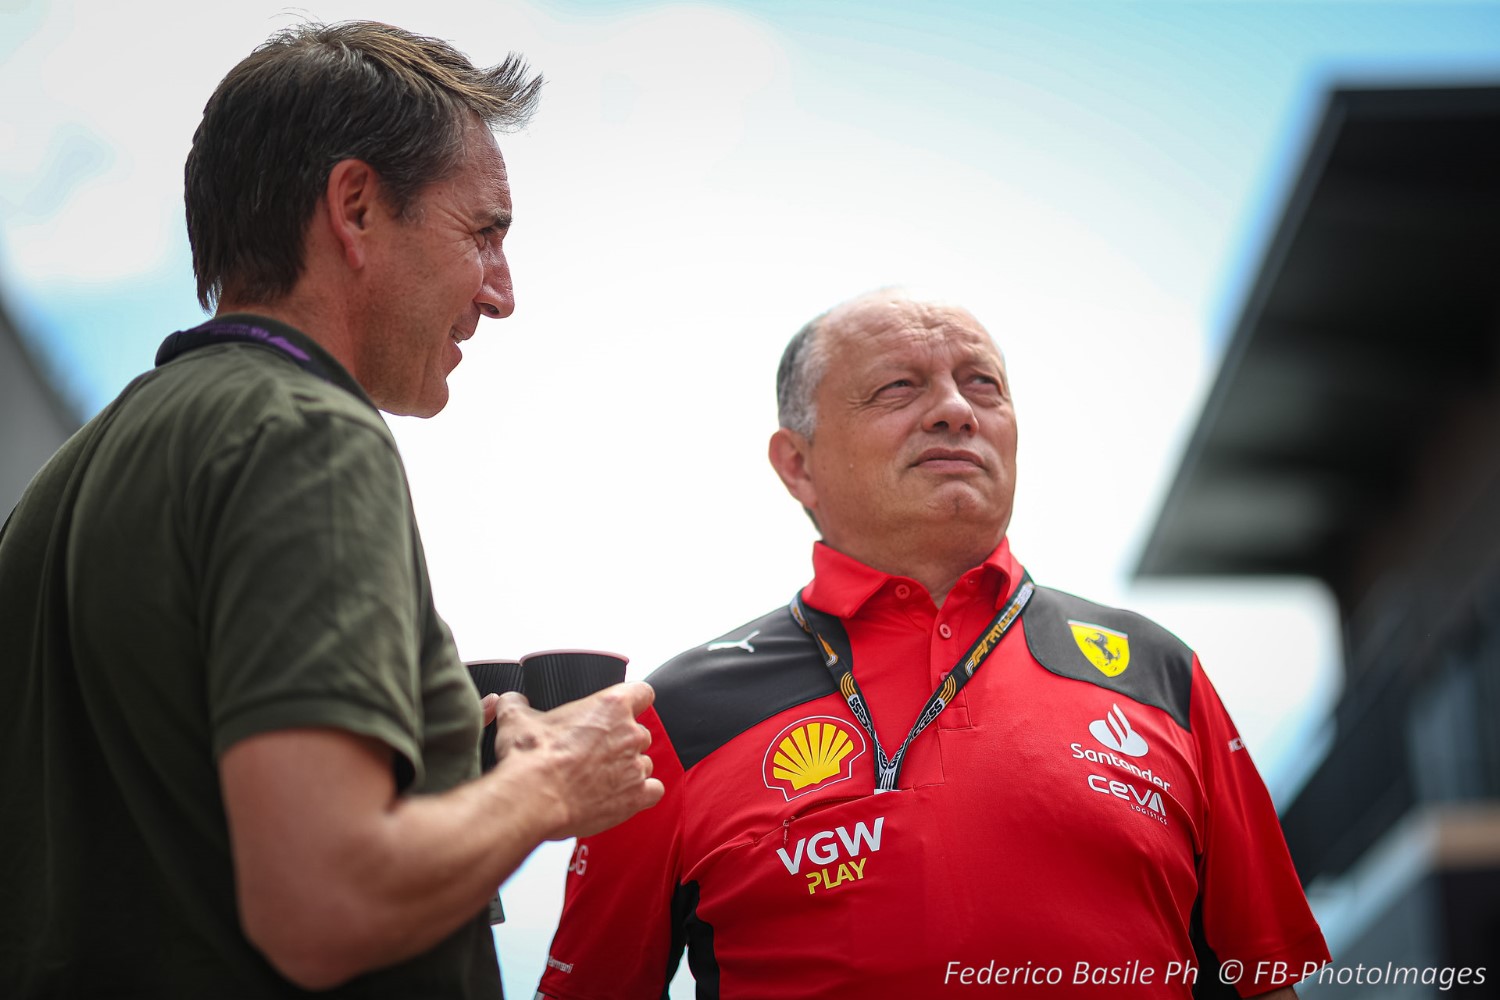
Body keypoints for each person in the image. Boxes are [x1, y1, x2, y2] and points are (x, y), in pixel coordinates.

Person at [0, 21, 661, 999]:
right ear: (353, 207)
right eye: (483, 232)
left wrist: (444, 759)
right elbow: (324, 902)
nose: (502, 292)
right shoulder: (307, 436)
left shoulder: (60, 490)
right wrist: (549, 784)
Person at [537, 289, 1330, 999]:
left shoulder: (1162, 674)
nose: (956, 410)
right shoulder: (672, 718)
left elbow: (1264, 980)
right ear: (797, 465)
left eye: (982, 384)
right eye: (898, 388)